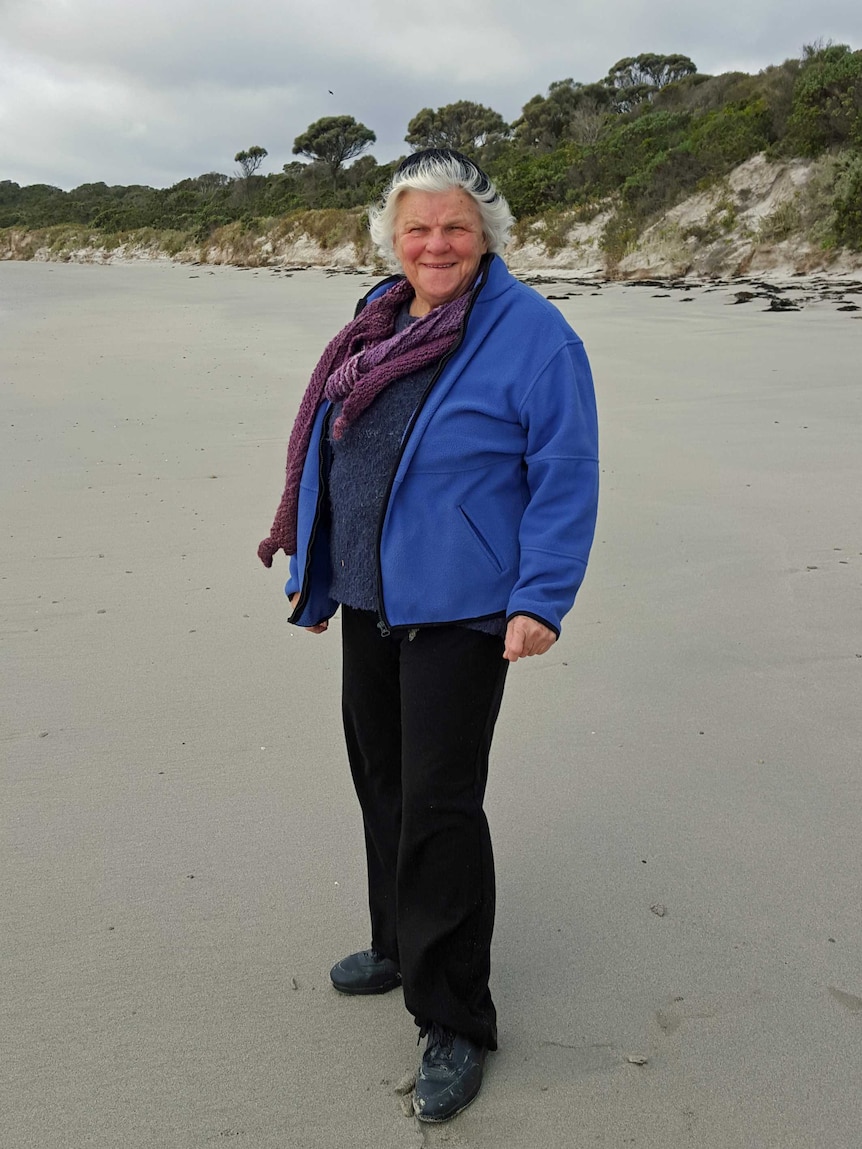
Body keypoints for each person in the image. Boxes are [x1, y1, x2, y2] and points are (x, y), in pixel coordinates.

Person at [258, 148, 598, 1122]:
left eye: (453, 227)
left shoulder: (532, 338)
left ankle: (452, 1016)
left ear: (484, 232)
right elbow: (339, 449)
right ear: (391, 239)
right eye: (417, 229)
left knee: (441, 805)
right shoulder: (373, 322)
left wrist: (540, 597)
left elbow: (566, 470)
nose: (435, 244)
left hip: (463, 605)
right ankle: (398, 942)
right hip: (368, 597)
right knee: (382, 781)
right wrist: (315, 563)